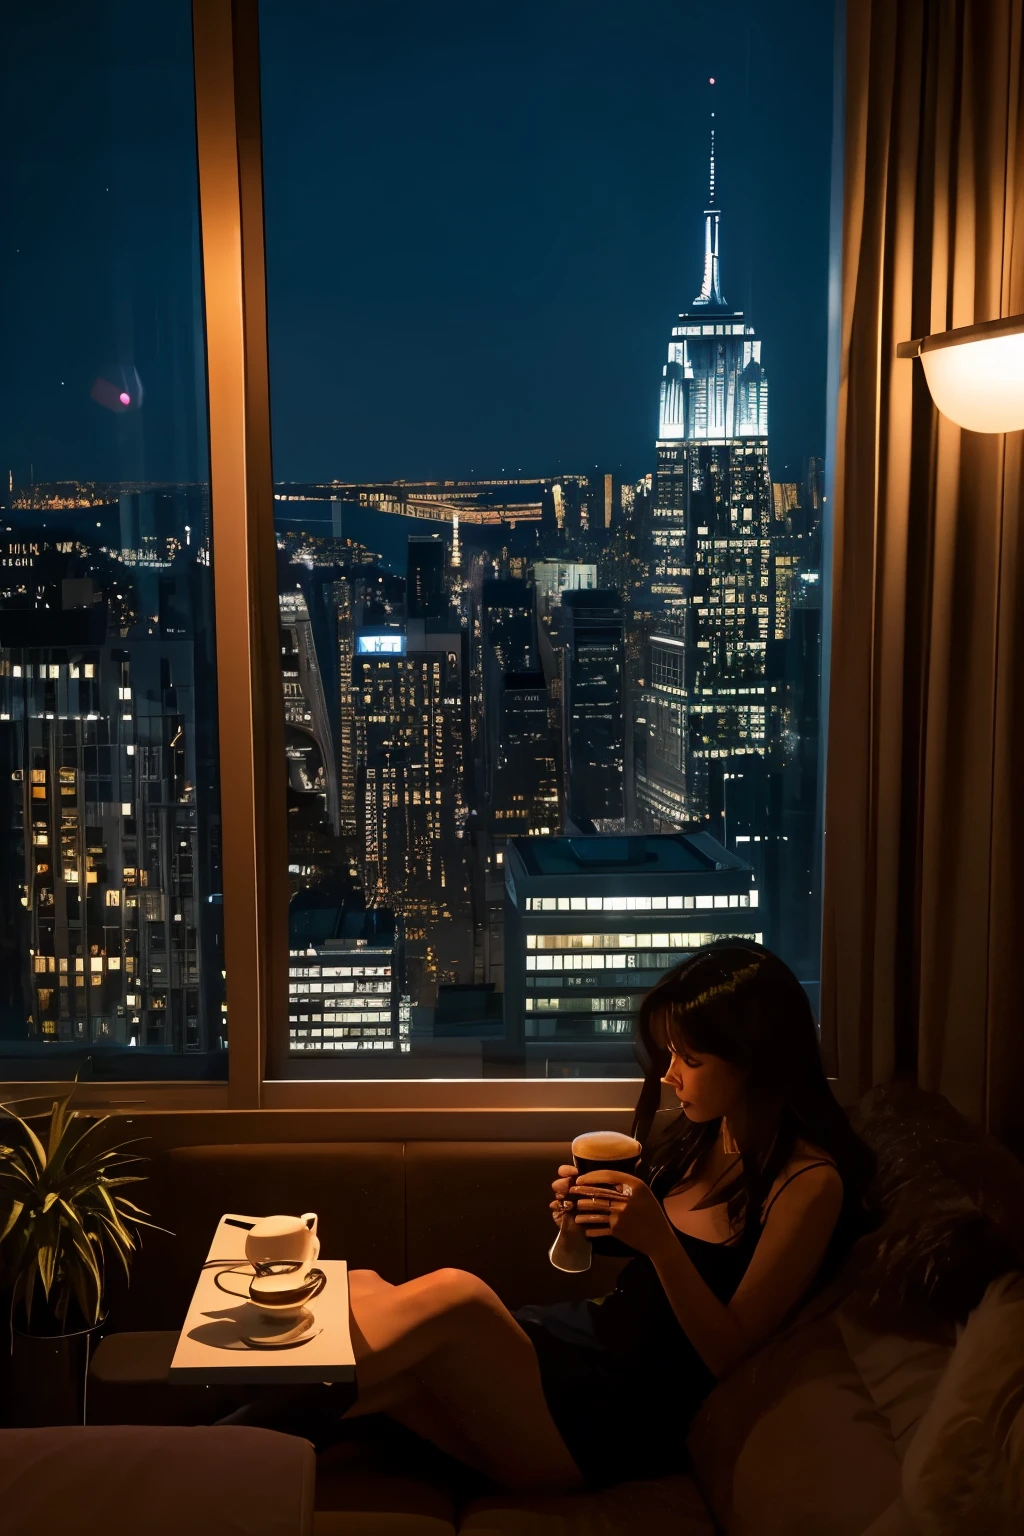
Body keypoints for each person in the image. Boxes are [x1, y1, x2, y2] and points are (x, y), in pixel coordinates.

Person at [221, 941, 877, 1493]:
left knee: (459, 1297)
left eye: (691, 1060)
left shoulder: (809, 1184)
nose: (672, 1075)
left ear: (756, 1063)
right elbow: (599, 1267)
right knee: (363, 1286)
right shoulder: (716, 1133)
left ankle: (219, 1426)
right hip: (575, 1350)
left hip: (615, 1415)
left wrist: (662, 1247)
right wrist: (577, 1228)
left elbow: (731, 1354)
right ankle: (229, 1437)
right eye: (670, 1054)